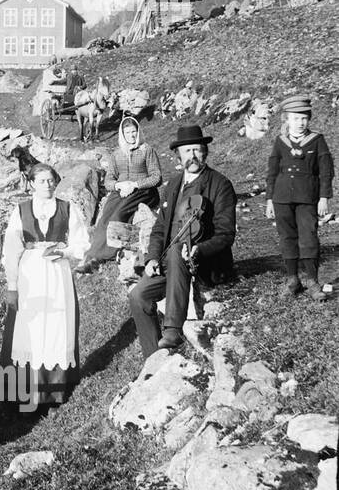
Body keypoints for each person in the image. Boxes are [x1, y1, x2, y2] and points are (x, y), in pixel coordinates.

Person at [128, 125, 237, 358]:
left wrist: (200, 249)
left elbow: (226, 234)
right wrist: (152, 258)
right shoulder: (173, 185)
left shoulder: (220, 184)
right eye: (187, 151)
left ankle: (173, 329)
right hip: (170, 260)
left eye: (197, 150)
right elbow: (159, 228)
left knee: (179, 250)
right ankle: (153, 357)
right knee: (138, 296)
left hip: (204, 261)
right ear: (179, 155)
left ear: (205, 152)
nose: (193, 156)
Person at [0, 164, 90, 411]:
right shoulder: (20, 211)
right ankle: (26, 392)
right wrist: (13, 282)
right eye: (41, 181)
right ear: (31, 184)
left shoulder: (67, 208)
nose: (47, 185)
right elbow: (11, 248)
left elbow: (82, 242)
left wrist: (65, 251)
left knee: (56, 325)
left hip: (57, 272)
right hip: (31, 275)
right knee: (32, 327)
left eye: (51, 180)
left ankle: (54, 391)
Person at [265, 95, 333, 301]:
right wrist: (269, 199)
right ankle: (292, 279)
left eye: (304, 118)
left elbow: (326, 171)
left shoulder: (317, 140)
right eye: (295, 118)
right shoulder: (280, 142)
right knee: (287, 237)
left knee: (309, 236)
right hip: (282, 197)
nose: (300, 122)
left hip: (307, 198)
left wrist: (323, 198)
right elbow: (272, 171)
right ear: (287, 119)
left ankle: (312, 280)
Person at [78, 115, 163, 273]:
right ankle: (92, 256)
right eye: (128, 133)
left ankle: (107, 255)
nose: (131, 136)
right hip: (122, 191)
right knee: (104, 218)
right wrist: (119, 185)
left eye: (134, 132)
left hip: (143, 191)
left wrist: (135, 184)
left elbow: (156, 177)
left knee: (119, 215)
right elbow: (108, 181)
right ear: (122, 135)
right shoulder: (117, 154)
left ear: (138, 132)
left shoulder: (147, 150)